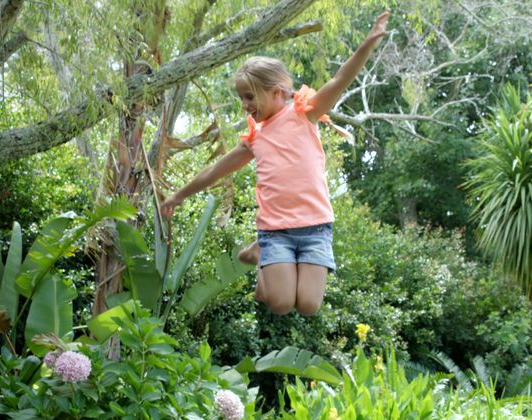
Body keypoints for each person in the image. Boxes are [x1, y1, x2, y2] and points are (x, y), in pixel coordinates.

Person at [161, 11, 390, 317]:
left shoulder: (304, 113)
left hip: (315, 228)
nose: (245, 105)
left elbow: (339, 80)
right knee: (280, 304)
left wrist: (368, 44)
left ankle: (261, 256)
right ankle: (262, 254)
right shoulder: (255, 138)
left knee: (309, 306)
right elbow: (215, 170)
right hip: (276, 231)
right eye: (241, 98)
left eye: (249, 97)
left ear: (277, 92)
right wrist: (178, 195)